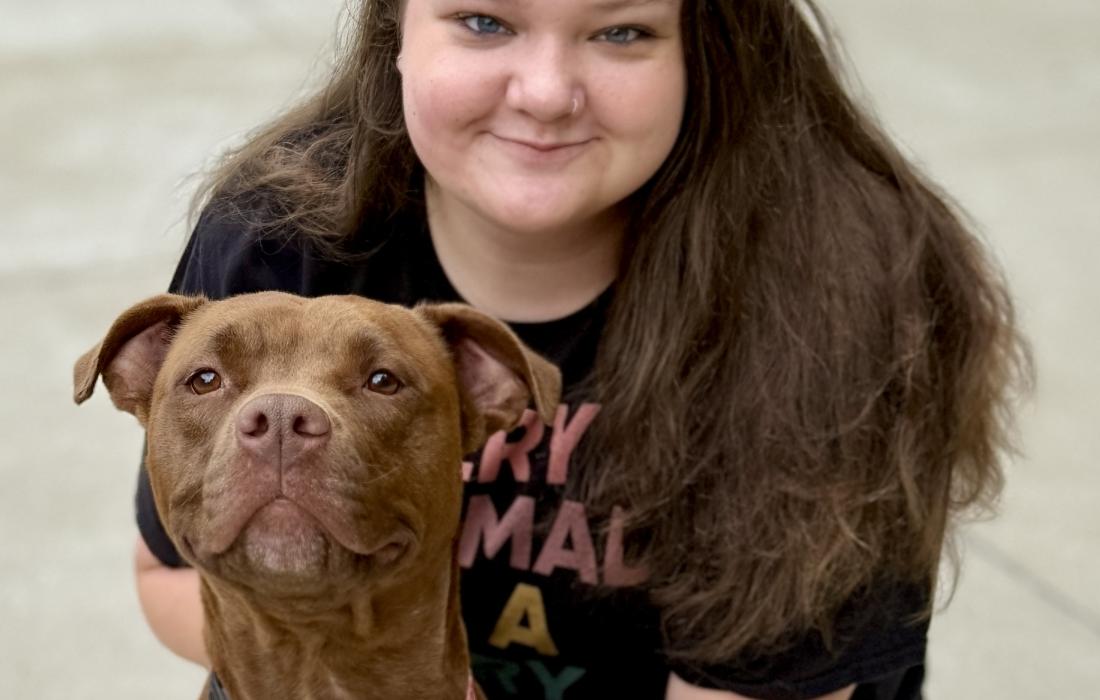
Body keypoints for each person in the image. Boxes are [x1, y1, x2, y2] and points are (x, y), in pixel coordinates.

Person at [133, 0, 1029, 698]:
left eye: (621, 32)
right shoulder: (282, 241)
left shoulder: (830, 301)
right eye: (484, 21)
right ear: (395, 28)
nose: (545, 92)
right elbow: (165, 573)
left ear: (707, 53)